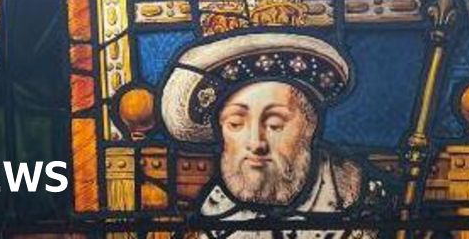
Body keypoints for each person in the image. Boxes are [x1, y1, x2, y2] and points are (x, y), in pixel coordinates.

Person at [160, 32, 390, 238]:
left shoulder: (358, 201)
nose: (256, 143)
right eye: (236, 123)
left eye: (274, 124)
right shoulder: (210, 218)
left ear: (310, 126)